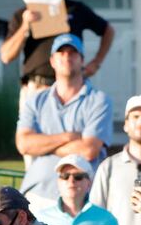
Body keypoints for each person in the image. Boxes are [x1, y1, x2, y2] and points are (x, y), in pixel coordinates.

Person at [15, 34, 113, 208]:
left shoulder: (99, 100)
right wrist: (69, 137)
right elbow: (24, 144)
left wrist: (44, 145)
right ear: (52, 60)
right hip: (37, 195)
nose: (67, 56)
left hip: (82, 199)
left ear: (82, 60)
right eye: (61, 52)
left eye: (73, 52)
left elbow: (88, 150)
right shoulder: (35, 100)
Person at [0, 0, 114, 104]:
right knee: (30, 127)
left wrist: (96, 62)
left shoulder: (75, 9)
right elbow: (6, 56)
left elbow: (108, 30)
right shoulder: (22, 15)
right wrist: (25, 26)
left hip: (72, 86)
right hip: (37, 86)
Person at [91, 96, 141, 225]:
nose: (140, 122)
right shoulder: (109, 167)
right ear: (125, 124)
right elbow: (96, 216)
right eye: (135, 116)